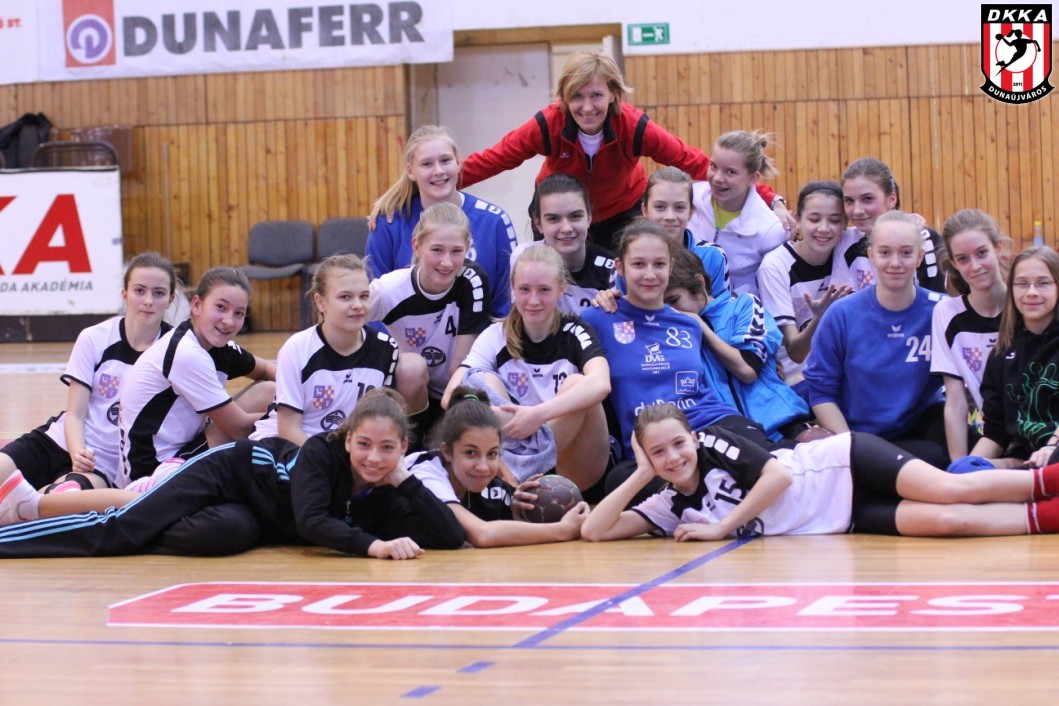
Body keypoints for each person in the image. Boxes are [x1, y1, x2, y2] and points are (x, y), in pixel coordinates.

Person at [0, 388, 467, 558]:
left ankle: (149, 518)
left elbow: (449, 536)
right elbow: (311, 522)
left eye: (387, 448)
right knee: (119, 532)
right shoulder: (322, 454)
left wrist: (406, 482)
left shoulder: (393, 488)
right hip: (228, 472)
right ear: (347, 441)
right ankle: (12, 533)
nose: (374, 458)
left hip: (253, 518)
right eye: (363, 444)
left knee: (222, 536)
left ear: (403, 448)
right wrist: (374, 546)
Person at [580, 403, 1059, 542]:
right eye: (658, 453)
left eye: (678, 443)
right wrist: (640, 475)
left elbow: (778, 478)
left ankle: (1047, 482)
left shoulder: (713, 443)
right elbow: (595, 531)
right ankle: (1049, 517)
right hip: (840, 516)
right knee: (949, 522)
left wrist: (722, 528)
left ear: (692, 436)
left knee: (949, 490)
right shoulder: (667, 503)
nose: (673, 457)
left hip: (843, 462)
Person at [460, 50, 785, 251]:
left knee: (620, 280)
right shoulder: (548, 124)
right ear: (563, 97)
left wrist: (771, 199)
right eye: (576, 97)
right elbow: (494, 159)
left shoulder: (633, 126)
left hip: (620, 212)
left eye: (596, 95)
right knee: (558, 277)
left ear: (614, 94)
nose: (587, 107)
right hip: (561, 209)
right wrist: (441, 181)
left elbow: (693, 162)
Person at [580, 221, 765, 463]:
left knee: (773, 463)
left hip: (713, 423)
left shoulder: (689, 323)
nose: (649, 275)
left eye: (659, 264)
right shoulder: (597, 318)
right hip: (652, 441)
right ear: (620, 267)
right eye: (638, 264)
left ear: (671, 267)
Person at [0, 253, 177, 493]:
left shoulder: (176, 351)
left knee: (58, 499)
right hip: (60, 441)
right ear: (124, 294)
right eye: (139, 290)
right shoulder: (94, 337)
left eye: (158, 293)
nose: (148, 300)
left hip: (101, 464)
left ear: (170, 299)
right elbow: (75, 414)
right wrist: (77, 453)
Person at [445, 244, 612, 490]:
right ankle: (512, 474)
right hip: (512, 449)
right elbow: (450, 396)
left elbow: (601, 383)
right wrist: (498, 414)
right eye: (524, 289)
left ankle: (517, 478)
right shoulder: (496, 335)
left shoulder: (576, 331)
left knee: (579, 384)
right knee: (477, 377)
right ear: (513, 289)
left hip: (571, 466)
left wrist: (537, 416)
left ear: (561, 290)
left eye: (544, 290)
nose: (533, 300)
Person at [804, 211, 949, 468]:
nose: (895, 262)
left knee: (968, 457)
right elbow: (821, 393)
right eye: (885, 252)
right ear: (871, 256)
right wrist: (851, 448)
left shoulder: (941, 311)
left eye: (906, 253)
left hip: (923, 425)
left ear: (919, 257)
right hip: (863, 437)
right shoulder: (842, 314)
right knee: (930, 465)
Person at [118, 266, 276, 486]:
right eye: (220, 307)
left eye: (238, 313)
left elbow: (267, 370)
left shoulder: (217, 345)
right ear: (196, 305)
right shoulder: (187, 353)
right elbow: (238, 427)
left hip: (185, 446)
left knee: (269, 390)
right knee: (276, 419)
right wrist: (296, 418)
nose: (229, 321)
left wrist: (307, 394)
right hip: (155, 469)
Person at [250, 254, 405, 446]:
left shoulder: (386, 348)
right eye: (345, 297)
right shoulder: (296, 349)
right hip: (289, 444)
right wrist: (325, 458)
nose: (358, 305)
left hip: (345, 448)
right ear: (320, 302)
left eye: (364, 296)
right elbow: (288, 429)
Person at [408, 385, 589, 547]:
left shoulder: (492, 488)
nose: (483, 467)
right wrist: (563, 530)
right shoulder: (425, 472)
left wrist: (515, 513)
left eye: (492, 453)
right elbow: (482, 535)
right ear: (447, 451)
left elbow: (500, 526)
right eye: (471, 453)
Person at [366, 125, 516, 318]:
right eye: (427, 164)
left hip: (480, 336)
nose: (438, 171)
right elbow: (374, 304)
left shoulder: (494, 222)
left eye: (445, 160)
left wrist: (487, 338)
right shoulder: (387, 224)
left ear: (459, 163)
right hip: (405, 338)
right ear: (411, 171)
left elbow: (506, 304)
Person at [368, 202, 492, 434]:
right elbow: (345, 314)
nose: (447, 262)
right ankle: (412, 440)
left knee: (477, 378)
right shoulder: (390, 290)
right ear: (417, 246)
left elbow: (460, 367)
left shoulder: (472, 280)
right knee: (410, 368)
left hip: (454, 389)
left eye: (456, 251)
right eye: (437, 250)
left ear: (468, 247)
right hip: (412, 389)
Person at [663, 248, 811, 441]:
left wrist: (702, 328)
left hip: (782, 425)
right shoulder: (673, 334)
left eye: (674, 300)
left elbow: (748, 370)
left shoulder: (743, 305)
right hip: (731, 439)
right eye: (663, 305)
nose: (671, 311)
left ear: (699, 283)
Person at [758, 181, 854, 398]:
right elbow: (795, 352)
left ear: (845, 225)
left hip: (841, 370)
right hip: (796, 379)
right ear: (798, 220)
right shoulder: (775, 266)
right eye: (814, 219)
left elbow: (886, 228)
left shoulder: (849, 249)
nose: (824, 228)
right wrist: (819, 318)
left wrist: (917, 225)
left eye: (834, 220)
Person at [972, 246, 1059, 469]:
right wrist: (968, 467)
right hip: (1024, 460)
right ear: (1011, 289)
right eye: (1022, 284)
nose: (1031, 292)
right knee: (964, 469)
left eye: (1043, 283)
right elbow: (996, 432)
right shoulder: (1002, 352)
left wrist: (1051, 447)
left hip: (1054, 455)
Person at [931, 210, 1006, 460]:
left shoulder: (1025, 304)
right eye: (963, 259)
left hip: (1040, 434)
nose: (975, 266)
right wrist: (959, 467)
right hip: (996, 437)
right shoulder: (946, 314)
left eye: (982, 253)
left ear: (998, 248)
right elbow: (955, 403)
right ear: (953, 263)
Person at [686, 130, 790, 297]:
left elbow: (775, 285)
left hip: (737, 308)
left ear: (753, 178)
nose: (717, 178)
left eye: (730, 172)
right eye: (713, 166)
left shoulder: (771, 230)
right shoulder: (690, 198)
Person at [835, 157, 946, 293]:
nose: (857, 210)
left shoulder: (923, 238)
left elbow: (935, 300)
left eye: (868, 199)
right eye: (849, 201)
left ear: (892, 200)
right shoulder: (845, 241)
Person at [522, 174, 615, 314]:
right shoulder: (523, 259)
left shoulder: (614, 269)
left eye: (575, 216)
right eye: (553, 219)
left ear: (589, 218)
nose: (566, 228)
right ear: (538, 224)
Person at [639, 166, 730, 298]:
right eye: (660, 207)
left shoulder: (712, 256)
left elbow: (721, 309)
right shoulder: (629, 256)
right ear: (645, 210)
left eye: (679, 207)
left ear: (691, 212)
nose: (670, 216)